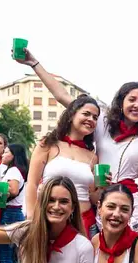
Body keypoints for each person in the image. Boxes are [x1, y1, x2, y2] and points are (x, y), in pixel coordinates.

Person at [15, 49, 138, 235]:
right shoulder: (102, 122)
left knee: (136, 249)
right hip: (103, 203)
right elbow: (62, 95)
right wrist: (34, 64)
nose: (137, 105)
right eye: (132, 100)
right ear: (121, 103)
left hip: (131, 202)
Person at [25, 94, 100, 238]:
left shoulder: (92, 156)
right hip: (49, 219)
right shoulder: (48, 144)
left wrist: (102, 187)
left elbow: (93, 197)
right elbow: (32, 183)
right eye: (86, 114)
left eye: (95, 117)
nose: (91, 119)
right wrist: (32, 217)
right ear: (71, 115)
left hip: (84, 223)